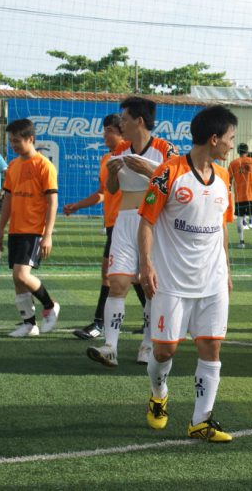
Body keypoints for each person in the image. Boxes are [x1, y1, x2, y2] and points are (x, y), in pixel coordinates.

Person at [139, 105, 235, 442]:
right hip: (172, 283)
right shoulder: (168, 172)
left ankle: (201, 421)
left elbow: (222, 225)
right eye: (229, 139)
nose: (231, 146)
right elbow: (147, 221)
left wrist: (226, 268)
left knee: (211, 347)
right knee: (164, 352)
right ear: (214, 138)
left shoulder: (224, 176)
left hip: (212, 281)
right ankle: (159, 392)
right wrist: (146, 264)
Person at [86, 97, 178, 367]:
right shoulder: (121, 148)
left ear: (139, 121)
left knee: (151, 288)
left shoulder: (165, 149)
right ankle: (110, 348)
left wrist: (149, 170)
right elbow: (113, 190)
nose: (120, 124)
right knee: (118, 284)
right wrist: (113, 173)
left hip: (154, 224)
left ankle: (148, 345)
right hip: (124, 222)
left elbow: (176, 187)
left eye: (123, 119)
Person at [64, 114, 148, 339]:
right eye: (104, 131)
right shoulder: (106, 159)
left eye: (110, 130)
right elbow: (103, 192)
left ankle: (99, 325)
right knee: (133, 277)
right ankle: (150, 320)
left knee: (116, 275)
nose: (105, 135)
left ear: (123, 131)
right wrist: (78, 205)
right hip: (114, 225)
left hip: (131, 224)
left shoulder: (134, 157)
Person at [0, 118, 60, 337]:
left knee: (22, 275)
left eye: (17, 141)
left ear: (30, 139)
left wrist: (47, 235)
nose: (13, 145)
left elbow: (52, 202)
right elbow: (7, 200)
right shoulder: (13, 166)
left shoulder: (44, 165)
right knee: (17, 278)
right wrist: (0, 229)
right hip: (15, 229)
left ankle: (49, 304)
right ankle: (29, 323)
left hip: (33, 230)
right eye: (11, 141)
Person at [229, 144, 252, 249]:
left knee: (240, 218)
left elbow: (229, 180)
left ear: (237, 152)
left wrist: (229, 191)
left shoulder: (233, 163)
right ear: (247, 151)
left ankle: (241, 242)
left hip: (239, 196)